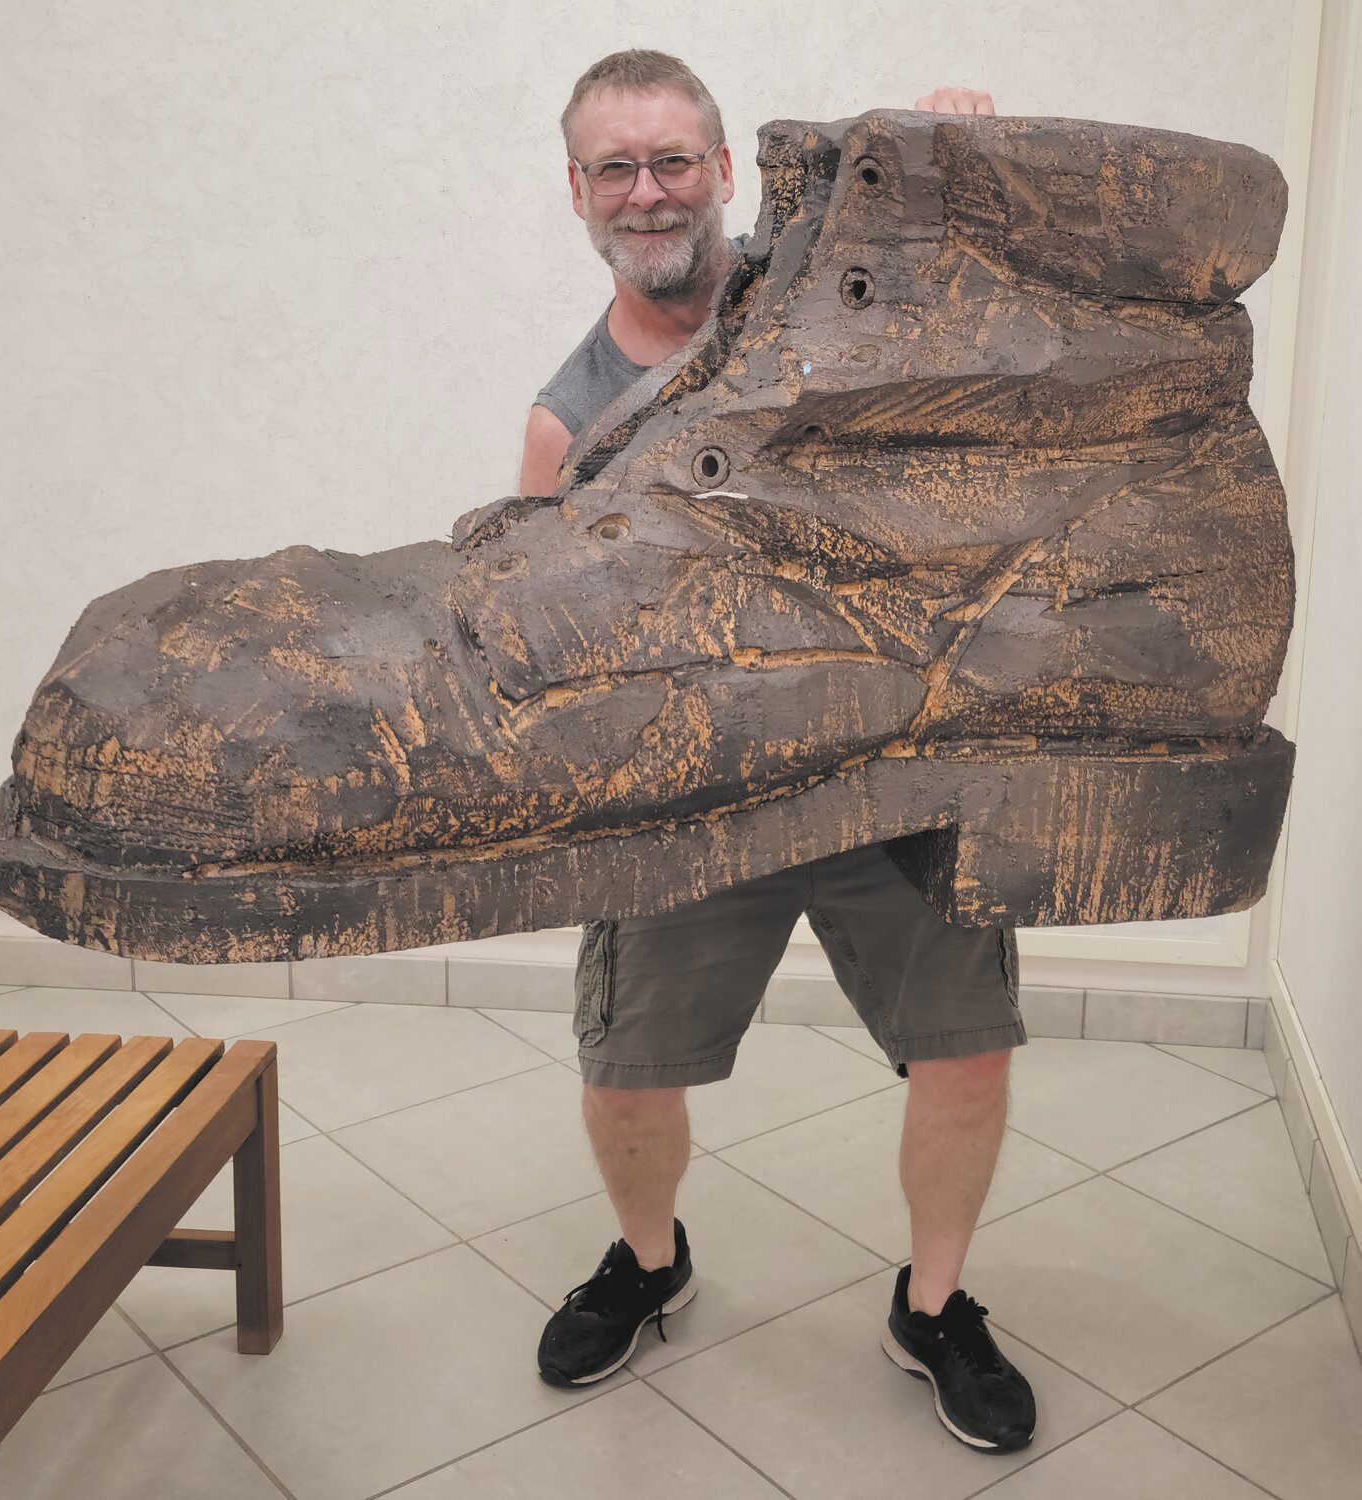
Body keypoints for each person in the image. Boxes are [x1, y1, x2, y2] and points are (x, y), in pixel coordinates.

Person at [520, 49, 1035, 1454]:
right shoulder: (569, 425)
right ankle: (649, 1263)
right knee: (625, 1071)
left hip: (896, 769)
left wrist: (957, 154)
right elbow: (549, 641)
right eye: (616, 167)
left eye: (672, 159)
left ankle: (934, 1308)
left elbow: (968, 291)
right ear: (578, 192)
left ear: (723, 170)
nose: (648, 190)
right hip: (693, 801)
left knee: (969, 1053)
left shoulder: (821, 291)